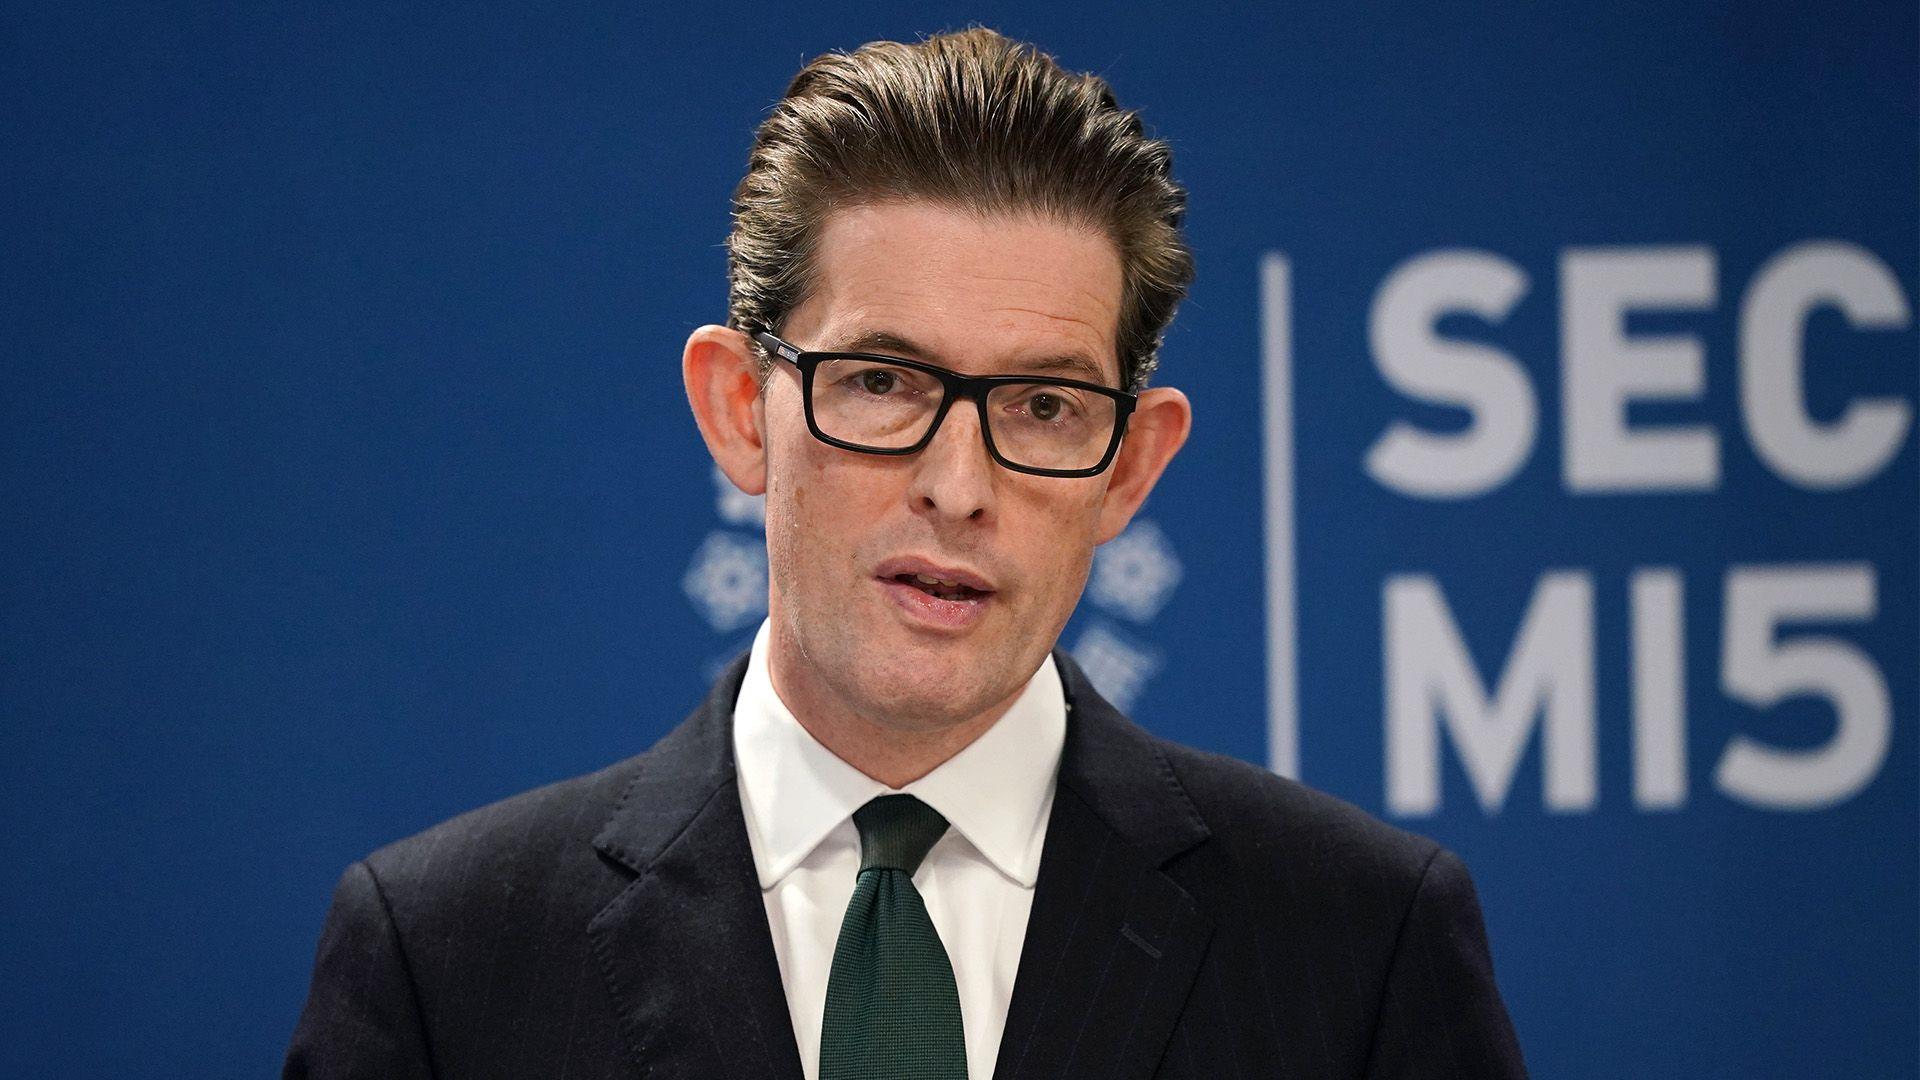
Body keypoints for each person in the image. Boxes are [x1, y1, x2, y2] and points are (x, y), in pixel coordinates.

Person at [285, 28, 1527, 1080]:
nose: (959, 486)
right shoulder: (445, 961)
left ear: (1131, 467)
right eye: (882, 382)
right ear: (737, 409)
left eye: (1043, 405)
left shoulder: (1361, 945)